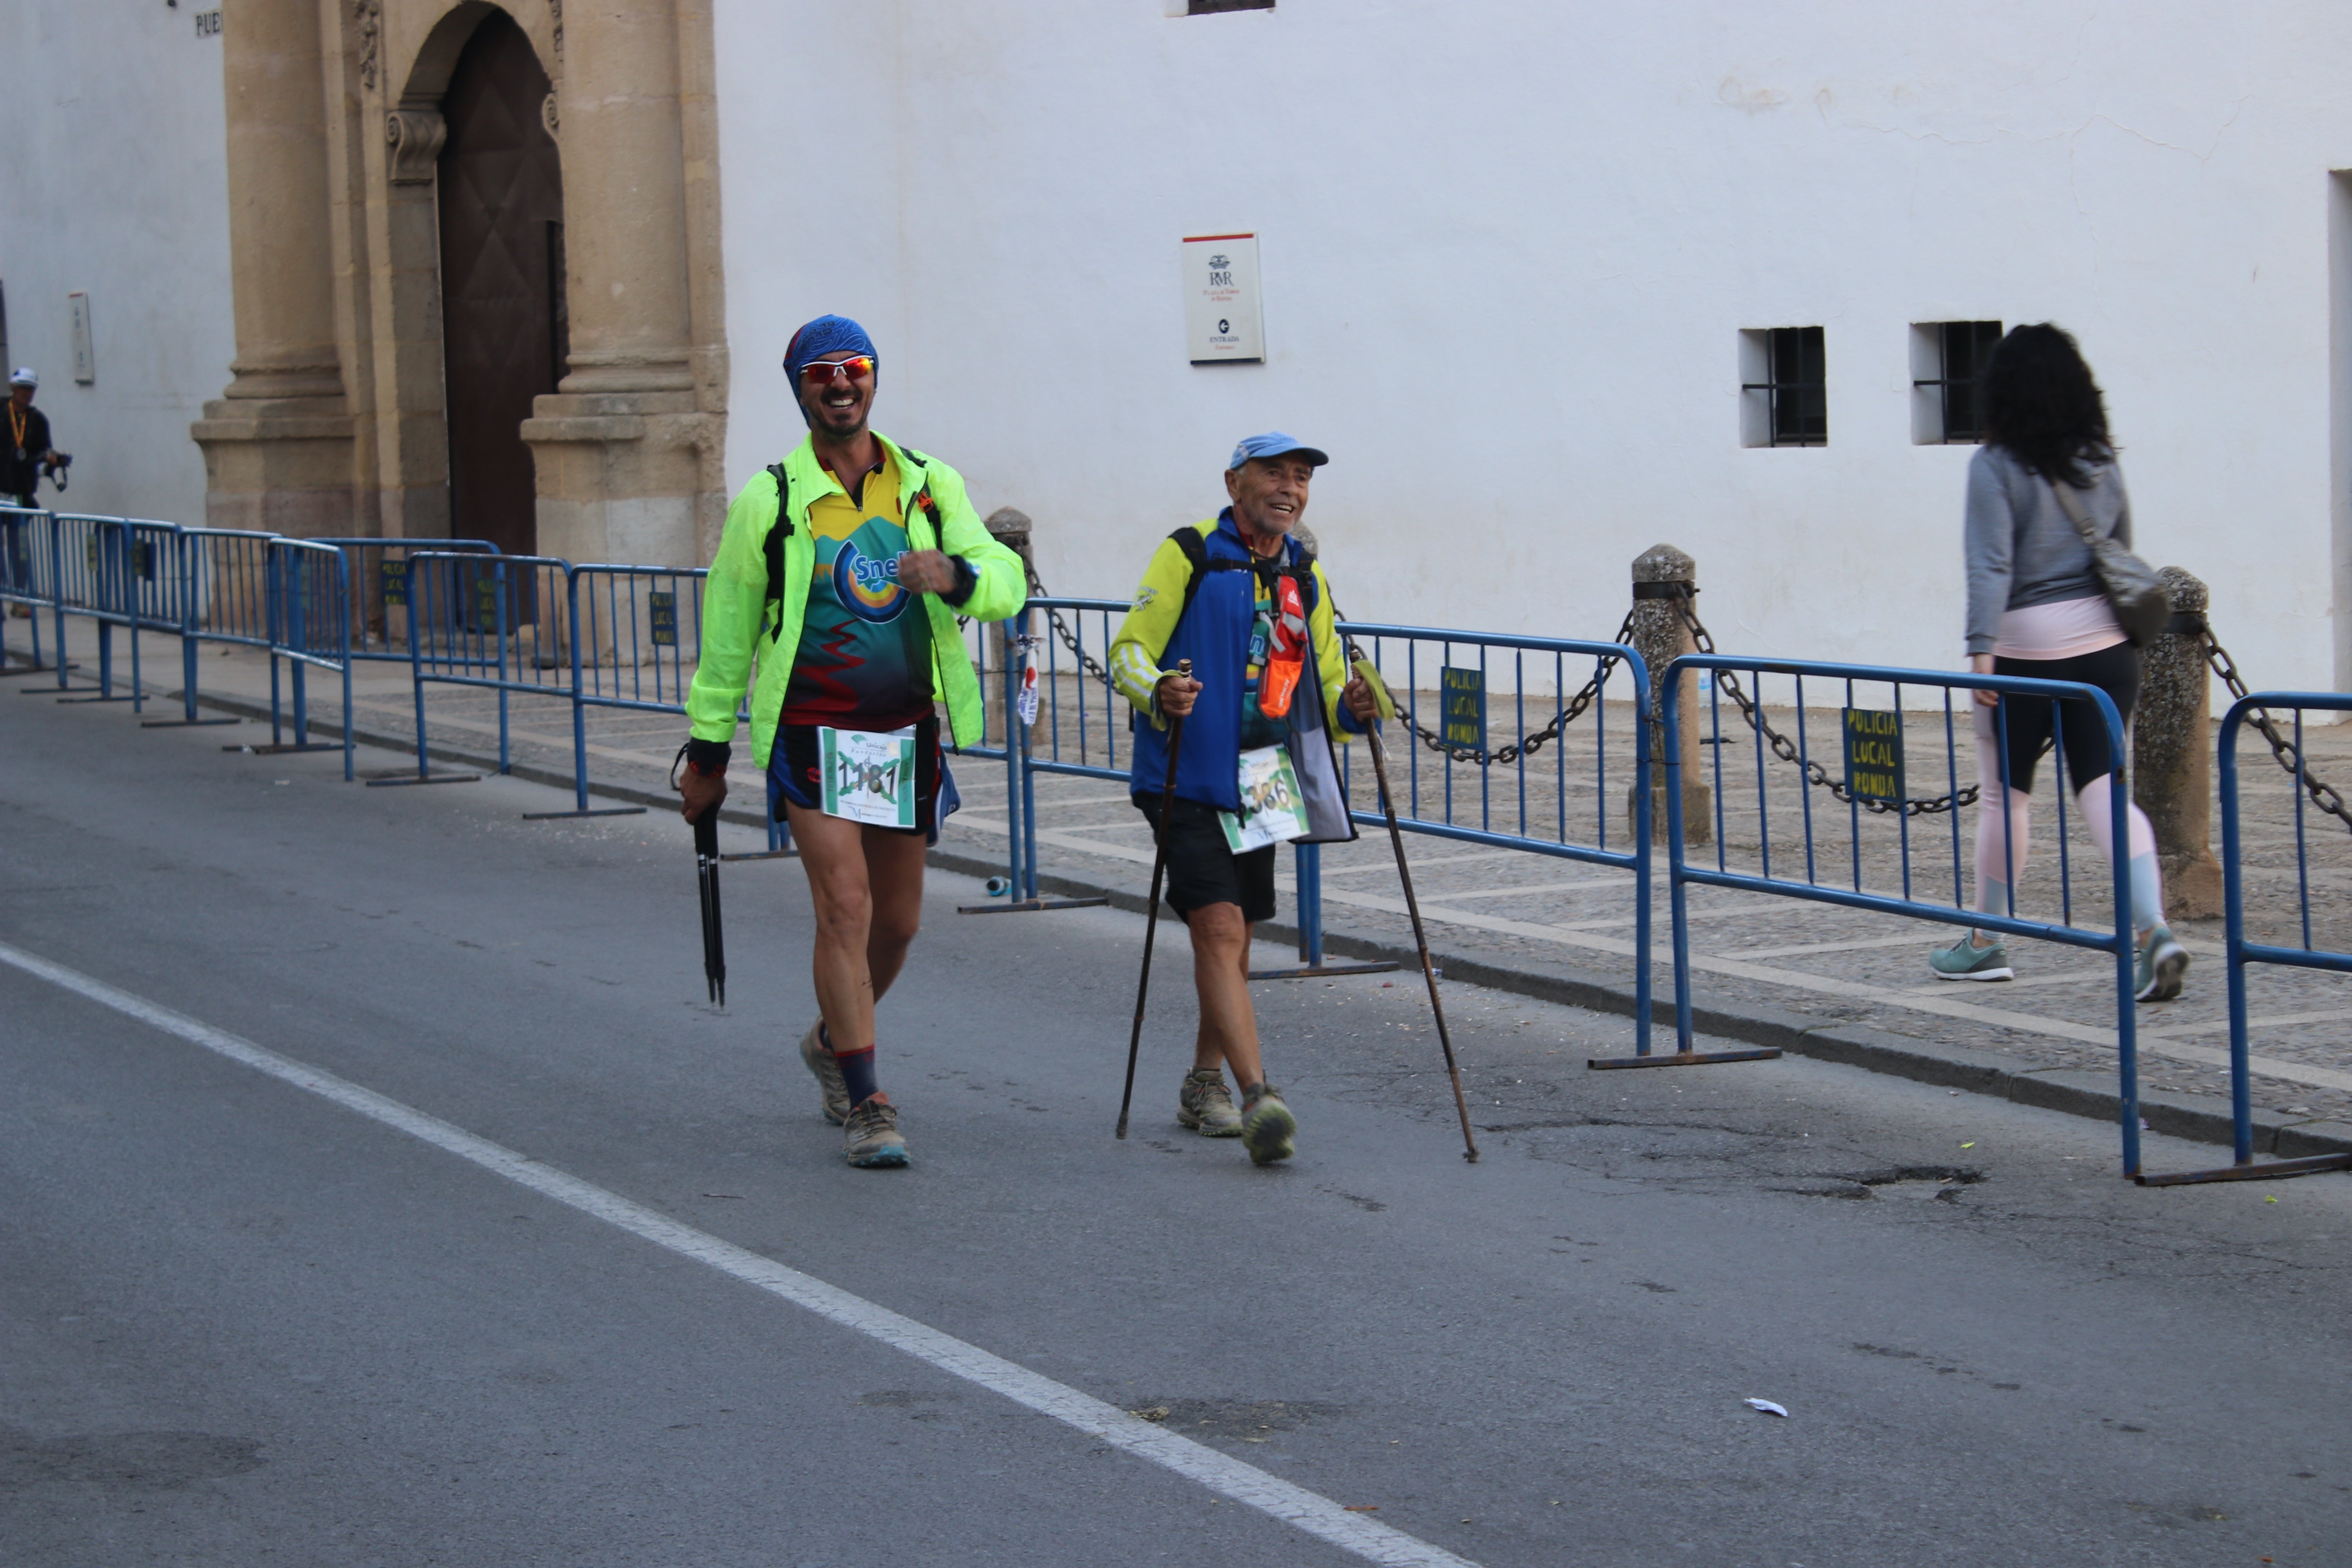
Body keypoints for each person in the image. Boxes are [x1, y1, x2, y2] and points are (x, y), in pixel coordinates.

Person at [679, 315, 1027, 1167]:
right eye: (821, 373)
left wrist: (960, 574)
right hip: (812, 731)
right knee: (845, 907)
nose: (841, 384)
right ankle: (868, 1099)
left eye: (855, 368)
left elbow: (1008, 583)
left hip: (905, 733)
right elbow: (728, 635)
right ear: (800, 388)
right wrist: (709, 751)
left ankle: (832, 1040)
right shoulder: (771, 500)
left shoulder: (929, 487)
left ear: (873, 380)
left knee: (899, 924)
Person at [1109, 434, 1381, 1165]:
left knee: (1236, 934)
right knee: (1221, 927)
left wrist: (1354, 707)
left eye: (1301, 478)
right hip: (1185, 772)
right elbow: (1129, 649)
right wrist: (1158, 689)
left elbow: (1320, 690)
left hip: (1265, 776)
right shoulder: (1190, 553)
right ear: (1235, 482)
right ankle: (1261, 1096)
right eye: (1275, 474)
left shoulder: (1304, 575)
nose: (1290, 488)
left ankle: (1204, 1083)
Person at [1930, 323, 2188, 1001]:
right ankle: (2152, 930)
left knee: (2005, 794)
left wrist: (1980, 650)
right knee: (2107, 790)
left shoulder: (1992, 465)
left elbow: (1990, 563)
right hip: (2107, 649)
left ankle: (1986, 942)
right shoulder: (2100, 457)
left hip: (2022, 650)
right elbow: (2121, 550)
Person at [4, 368, 59, 508]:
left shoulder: (38, 420)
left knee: (19, 529)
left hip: (22, 491)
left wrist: (50, 459)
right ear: (13, 388)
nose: (27, 393)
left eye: (30, 389)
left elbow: (44, 451)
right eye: (22, 387)